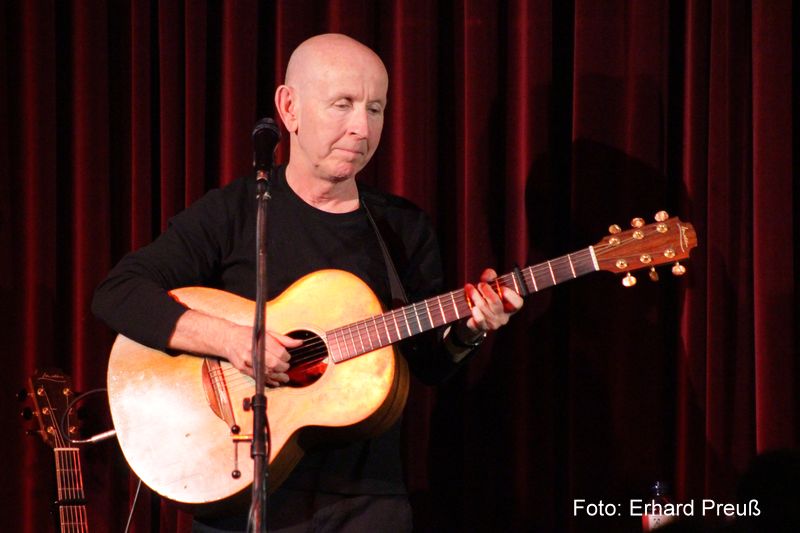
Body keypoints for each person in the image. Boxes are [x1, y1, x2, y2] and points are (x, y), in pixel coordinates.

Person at [93, 33, 523, 532]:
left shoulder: (403, 229)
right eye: (343, 104)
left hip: (366, 504)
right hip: (242, 494)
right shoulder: (235, 212)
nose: (362, 127)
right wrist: (232, 340)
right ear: (289, 108)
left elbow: (428, 363)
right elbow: (118, 293)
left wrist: (470, 329)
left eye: (376, 109)